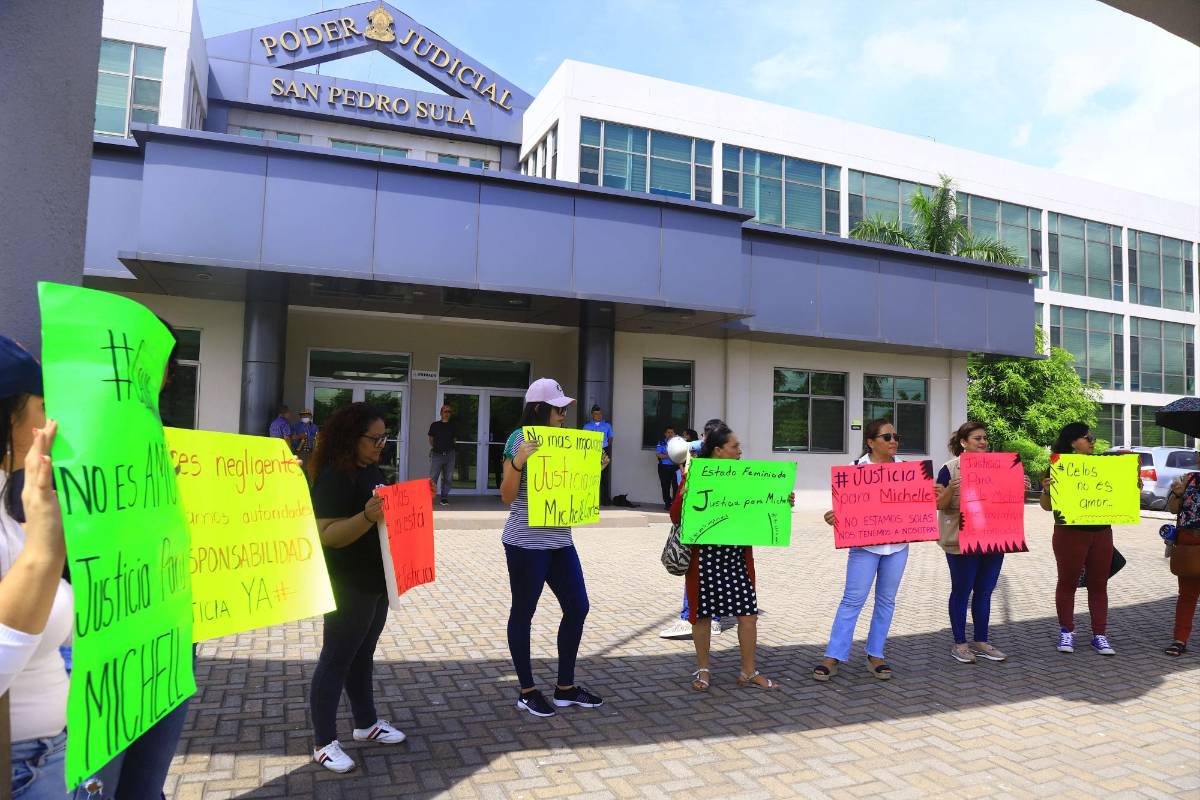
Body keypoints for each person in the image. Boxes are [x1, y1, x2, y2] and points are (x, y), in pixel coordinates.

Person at [308, 402, 406, 773]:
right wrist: (367, 515)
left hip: (375, 581)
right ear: (352, 438)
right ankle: (323, 741)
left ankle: (366, 724)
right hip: (347, 582)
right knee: (336, 658)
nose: (382, 443)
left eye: (385, 437)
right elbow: (329, 535)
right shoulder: (335, 476)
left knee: (362, 655)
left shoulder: (371, 469)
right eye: (374, 438)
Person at [502, 378, 607, 717]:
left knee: (578, 606)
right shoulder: (519, 439)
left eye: (564, 409)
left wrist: (595, 469)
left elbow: (572, 490)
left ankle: (565, 687)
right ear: (538, 409)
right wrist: (518, 461)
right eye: (558, 408)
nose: (563, 414)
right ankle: (527, 690)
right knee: (524, 612)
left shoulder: (565, 442)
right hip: (526, 541)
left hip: (560, 539)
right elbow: (506, 495)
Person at [1, 336, 72, 800]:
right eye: (43, 407)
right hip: (16, 767)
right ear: (10, 419)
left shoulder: (15, 499)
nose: (51, 424)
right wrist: (45, 553)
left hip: (50, 756)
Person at [674, 423, 788, 691]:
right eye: (735, 447)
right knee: (701, 616)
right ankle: (703, 669)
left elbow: (762, 507)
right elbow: (675, 516)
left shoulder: (747, 476)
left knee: (748, 614)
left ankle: (749, 671)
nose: (740, 451)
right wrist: (685, 494)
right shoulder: (695, 475)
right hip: (704, 558)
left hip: (736, 557)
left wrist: (782, 501)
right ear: (718, 450)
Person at [813, 419, 910, 682]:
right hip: (864, 547)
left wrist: (931, 495)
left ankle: (876, 654)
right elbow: (841, 511)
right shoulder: (853, 471)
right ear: (870, 441)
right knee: (852, 600)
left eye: (895, 436)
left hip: (898, 546)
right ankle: (833, 655)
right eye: (887, 436)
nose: (893, 441)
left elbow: (916, 506)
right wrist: (832, 517)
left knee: (886, 601)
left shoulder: (907, 471)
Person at [1040, 422, 1120, 656]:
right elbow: (1046, 507)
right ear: (1073, 441)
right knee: (1068, 582)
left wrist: (1131, 485)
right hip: (1069, 533)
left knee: (1099, 584)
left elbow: (1118, 495)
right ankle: (1067, 631)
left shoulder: (1105, 465)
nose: (1093, 441)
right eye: (1088, 437)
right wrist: (1047, 490)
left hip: (1101, 531)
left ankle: (1100, 635)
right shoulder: (1058, 466)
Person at [936, 422, 1010, 664]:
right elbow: (939, 505)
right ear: (963, 443)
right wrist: (951, 489)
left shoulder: (1000, 467)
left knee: (985, 591)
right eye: (977, 438)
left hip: (993, 539)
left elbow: (1005, 501)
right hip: (960, 541)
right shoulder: (949, 470)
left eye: (985, 438)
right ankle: (960, 644)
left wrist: (1018, 486)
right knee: (961, 591)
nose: (983, 442)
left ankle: (981, 641)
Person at [660, 423, 731, 641]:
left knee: (698, 577)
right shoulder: (701, 468)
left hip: (703, 539)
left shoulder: (704, 470)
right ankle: (708, 619)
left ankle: (693, 618)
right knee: (714, 578)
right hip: (713, 537)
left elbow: (676, 514)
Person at [1163, 470, 1199, 656]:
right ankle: (1179, 639)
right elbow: (1173, 509)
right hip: (1187, 541)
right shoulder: (1189, 479)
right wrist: (1178, 493)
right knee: (1187, 595)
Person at [583, 405, 614, 506]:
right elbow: (584, 440)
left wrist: (606, 448)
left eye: (599, 413)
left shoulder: (607, 425)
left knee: (604, 476)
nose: (598, 415)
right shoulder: (587, 426)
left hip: (603, 451)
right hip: (591, 452)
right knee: (591, 475)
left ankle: (604, 500)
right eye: (596, 414)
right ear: (592, 414)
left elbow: (610, 438)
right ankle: (591, 500)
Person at [428, 404, 457, 506]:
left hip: (450, 455)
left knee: (448, 477)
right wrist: (437, 448)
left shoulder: (453, 426)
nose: (447, 414)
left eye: (449, 412)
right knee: (433, 477)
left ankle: (444, 497)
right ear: (441, 413)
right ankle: (429, 498)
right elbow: (431, 439)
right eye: (445, 411)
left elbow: (454, 440)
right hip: (437, 455)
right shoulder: (435, 425)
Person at [654, 425, 677, 510]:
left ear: (674, 433)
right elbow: (658, 454)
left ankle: (675, 504)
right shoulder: (661, 442)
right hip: (664, 467)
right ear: (665, 434)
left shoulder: (678, 443)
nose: (670, 434)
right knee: (665, 486)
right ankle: (667, 504)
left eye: (672, 432)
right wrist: (669, 455)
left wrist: (667, 455)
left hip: (676, 467)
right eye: (668, 432)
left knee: (676, 487)